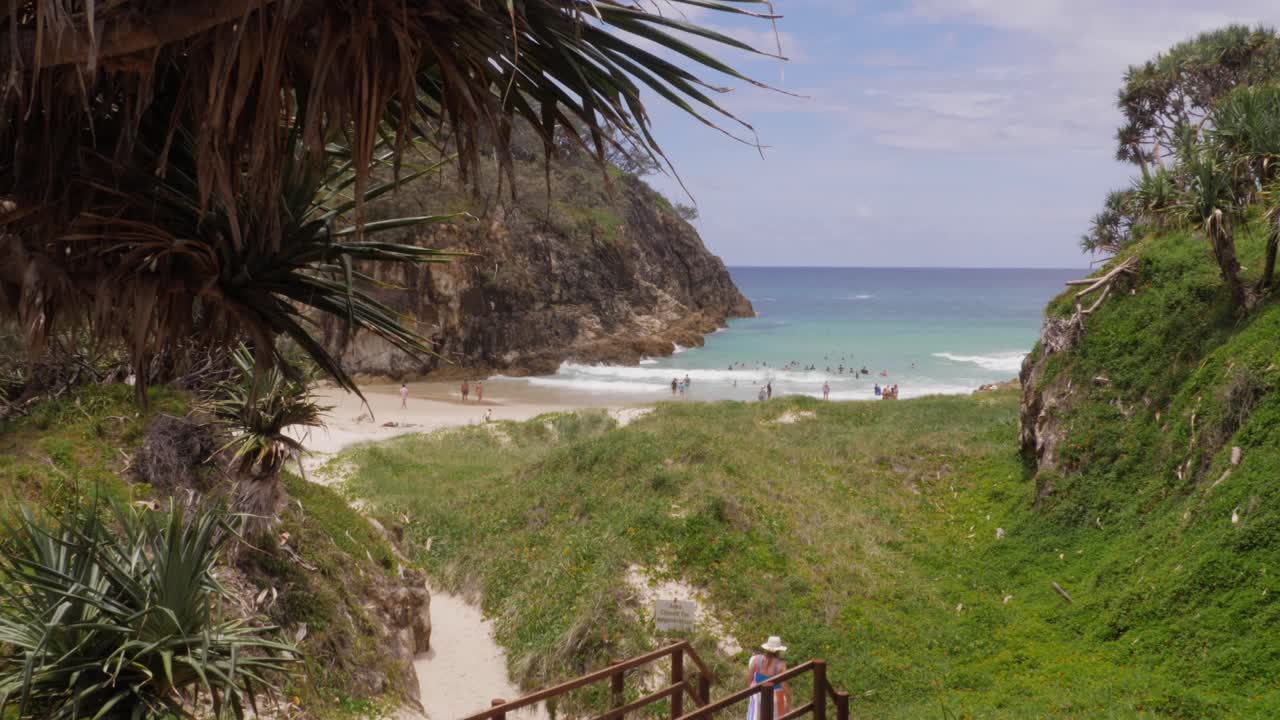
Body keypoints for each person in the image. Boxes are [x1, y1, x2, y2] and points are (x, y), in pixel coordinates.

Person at [745, 636, 792, 720]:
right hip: (774, 698)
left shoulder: (756, 660)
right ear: (778, 650)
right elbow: (784, 686)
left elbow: (749, 680)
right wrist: (789, 702)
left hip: (758, 695)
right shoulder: (781, 665)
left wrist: (753, 695)